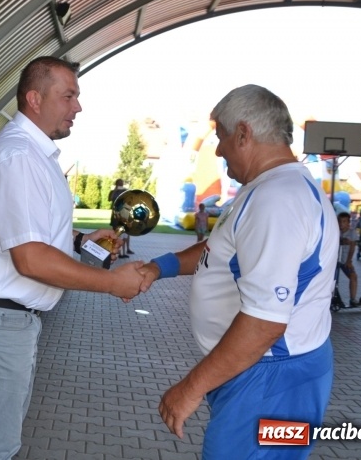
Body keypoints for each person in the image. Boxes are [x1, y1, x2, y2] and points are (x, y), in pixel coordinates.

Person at [0, 56, 153, 460]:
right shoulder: (19, 158)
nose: (78, 107)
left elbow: (28, 229)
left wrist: (78, 240)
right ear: (35, 99)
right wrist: (112, 283)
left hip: (2, 319)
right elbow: (31, 260)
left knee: (0, 439)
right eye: (69, 95)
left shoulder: (32, 156)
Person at [142, 84, 338, 458]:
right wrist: (158, 267)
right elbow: (218, 251)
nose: (218, 150)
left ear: (244, 134)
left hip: (272, 380)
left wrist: (191, 387)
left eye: (222, 138)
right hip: (265, 375)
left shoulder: (276, 200)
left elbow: (265, 323)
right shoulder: (267, 188)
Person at [337, 212, 360, 306]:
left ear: (348, 222)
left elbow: (352, 248)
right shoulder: (335, 231)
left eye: (344, 221)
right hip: (334, 261)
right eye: (340, 221)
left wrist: (349, 261)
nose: (341, 224)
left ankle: (353, 299)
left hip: (344, 260)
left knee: (353, 276)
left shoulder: (352, 233)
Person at [108, 178, 134, 257]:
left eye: (121, 183)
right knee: (115, 231)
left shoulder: (125, 191)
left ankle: (127, 249)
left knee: (126, 232)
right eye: (119, 183)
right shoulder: (113, 191)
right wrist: (115, 190)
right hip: (116, 214)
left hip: (123, 213)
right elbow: (109, 199)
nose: (121, 184)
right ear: (116, 184)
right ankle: (115, 249)